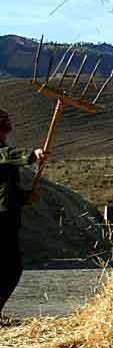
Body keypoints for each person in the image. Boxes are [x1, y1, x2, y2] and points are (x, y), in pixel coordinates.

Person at [0, 110, 44, 317]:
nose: (9, 121)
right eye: (3, 119)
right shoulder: (3, 151)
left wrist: (24, 197)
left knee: (10, 268)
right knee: (11, 269)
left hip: (7, 214)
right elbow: (9, 157)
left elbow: (4, 186)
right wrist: (32, 155)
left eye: (8, 117)